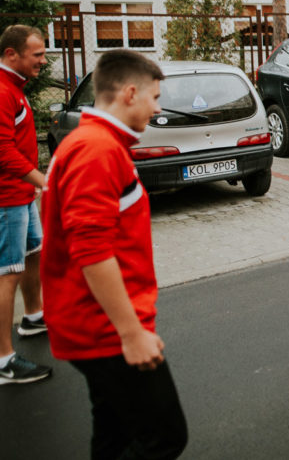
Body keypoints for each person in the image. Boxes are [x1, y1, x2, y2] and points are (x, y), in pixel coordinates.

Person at [41, 49, 188, 457]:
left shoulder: (93, 143)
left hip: (95, 322)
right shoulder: (96, 150)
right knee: (165, 436)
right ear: (128, 93)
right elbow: (90, 249)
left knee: (115, 436)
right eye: (155, 98)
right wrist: (131, 333)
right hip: (104, 330)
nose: (157, 109)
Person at [0, 24, 51, 385]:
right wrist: (44, 182)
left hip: (21, 194)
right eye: (38, 55)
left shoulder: (15, 88)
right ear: (11, 54)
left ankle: (33, 317)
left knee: (35, 251)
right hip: (7, 198)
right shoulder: (3, 92)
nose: (43, 62)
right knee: (8, 273)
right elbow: (3, 152)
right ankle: (4, 359)